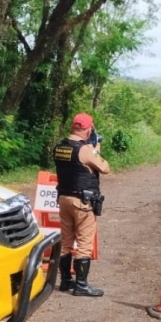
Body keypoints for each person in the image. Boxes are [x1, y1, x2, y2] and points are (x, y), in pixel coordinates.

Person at [53, 112, 110, 297]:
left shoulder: (60, 147)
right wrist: (96, 146)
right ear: (88, 129)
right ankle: (81, 285)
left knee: (66, 242)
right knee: (84, 244)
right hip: (82, 202)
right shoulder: (85, 150)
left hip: (64, 199)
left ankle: (65, 281)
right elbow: (104, 167)